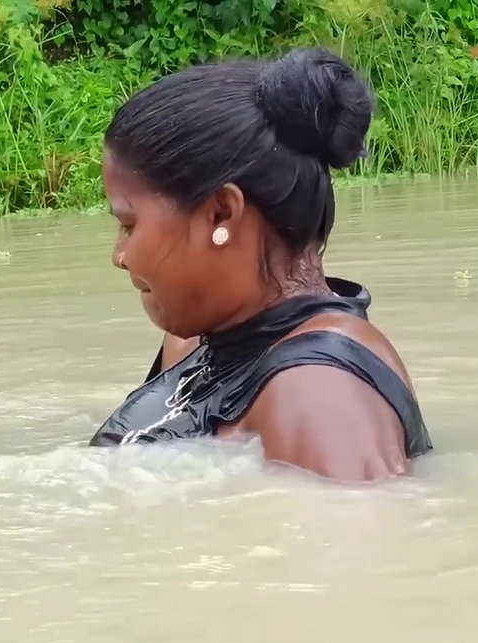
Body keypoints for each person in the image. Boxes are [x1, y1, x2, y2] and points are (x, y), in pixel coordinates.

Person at [88, 47, 432, 482]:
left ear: (221, 214)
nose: (119, 257)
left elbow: (367, 543)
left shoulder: (320, 391)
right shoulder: (200, 339)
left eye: (129, 224)